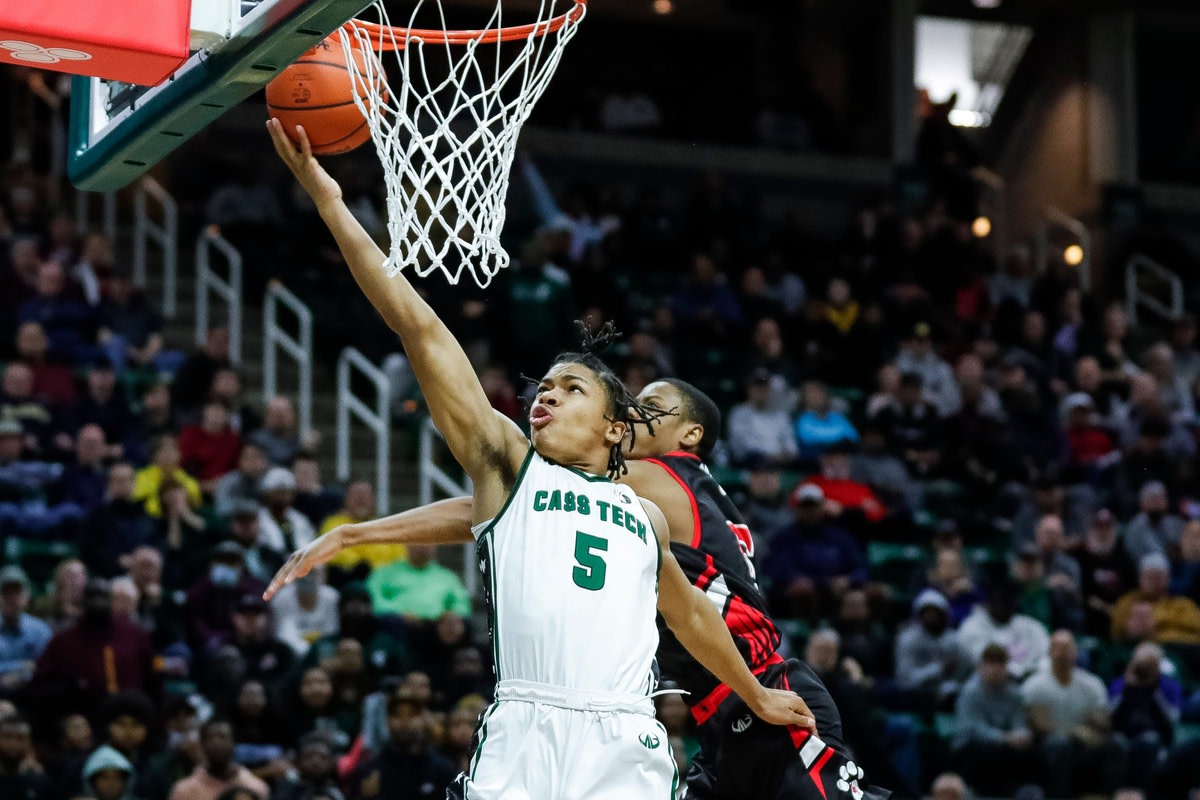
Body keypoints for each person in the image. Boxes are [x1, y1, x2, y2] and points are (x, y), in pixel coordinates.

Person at [264, 120, 817, 800]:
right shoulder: (510, 470)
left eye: (571, 388)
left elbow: (693, 616)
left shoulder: (643, 512)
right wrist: (331, 205)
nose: (545, 397)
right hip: (524, 727)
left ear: (616, 428)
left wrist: (755, 694)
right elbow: (421, 329)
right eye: (542, 389)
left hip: (625, 738)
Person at [269, 378, 885, 800]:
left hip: (768, 696)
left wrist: (357, 533)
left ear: (690, 434)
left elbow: (508, 500)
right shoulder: (660, 490)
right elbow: (515, 506)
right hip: (720, 721)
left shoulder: (657, 476)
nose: (637, 411)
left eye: (653, 405)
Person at [1021, 630, 1128, 797]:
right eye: (1058, 648)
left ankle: (1107, 795)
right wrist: (1075, 733)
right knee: (1058, 744)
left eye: (1068, 648)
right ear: (1049, 651)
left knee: (1117, 743)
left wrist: (1096, 728)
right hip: (1047, 748)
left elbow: (1103, 721)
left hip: (1083, 745)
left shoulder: (1092, 684)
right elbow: (1040, 727)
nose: (1063, 654)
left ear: (1076, 652)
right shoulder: (1035, 685)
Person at [950, 644, 1039, 797]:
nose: (997, 669)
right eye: (992, 664)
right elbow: (975, 729)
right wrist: (1005, 738)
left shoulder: (1014, 692)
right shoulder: (971, 691)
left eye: (1001, 664)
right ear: (981, 666)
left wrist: (1023, 735)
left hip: (1004, 747)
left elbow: (1019, 722)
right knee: (990, 752)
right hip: (969, 748)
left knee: (1032, 753)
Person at [167, 717, 269, 800]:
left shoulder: (256, 788)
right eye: (210, 737)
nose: (216, 742)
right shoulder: (183, 790)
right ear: (202, 744)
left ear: (234, 743)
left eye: (222, 737)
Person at [0, 565, 52, 692]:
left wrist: (22, 677)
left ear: (26, 596)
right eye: (6, 593)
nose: (12, 598)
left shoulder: (40, 630)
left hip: (30, 695)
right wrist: (22, 666)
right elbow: (32, 666)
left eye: (17, 592)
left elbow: (47, 668)